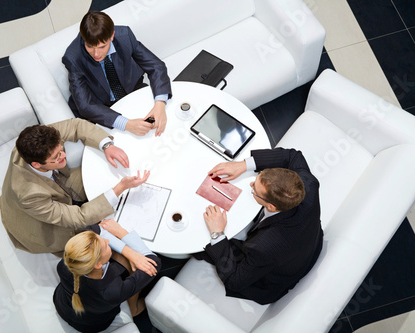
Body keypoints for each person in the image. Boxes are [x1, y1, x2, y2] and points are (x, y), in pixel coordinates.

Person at [0, 118, 150, 256]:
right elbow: (78, 217)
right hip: (43, 229)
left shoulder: (38, 141)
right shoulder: (28, 195)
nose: (63, 156)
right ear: (36, 164)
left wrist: (107, 146)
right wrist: (120, 188)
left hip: (59, 184)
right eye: (56, 157)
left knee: (102, 175)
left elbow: (75, 125)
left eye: (60, 150)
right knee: (97, 243)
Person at [195, 148, 323, 304]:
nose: (251, 183)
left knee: (201, 245)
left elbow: (235, 281)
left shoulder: (264, 247)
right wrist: (242, 165)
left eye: (254, 189)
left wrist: (217, 233)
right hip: (308, 241)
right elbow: (293, 155)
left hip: (270, 279)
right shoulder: (307, 185)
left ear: (271, 207)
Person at [63, 11, 172, 137]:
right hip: (99, 107)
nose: (96, 54)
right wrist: (126, 124)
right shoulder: (73, 57)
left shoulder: (125, 36)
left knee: (161, 125)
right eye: (90, 46)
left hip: (130, 90)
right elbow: (85, 105)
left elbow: (155, 66)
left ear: (112, 36)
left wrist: (160, 104)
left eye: (102, 47)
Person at [54, 220, 161, 333]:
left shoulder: (66, 264)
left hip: (63, 306)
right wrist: (122, 232)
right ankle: (133, 309)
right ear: (98, 264)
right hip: (93, 324)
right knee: (134, 265)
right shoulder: (112, 291)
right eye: (105, 244)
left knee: (130, 258)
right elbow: (154, 263)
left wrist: (131, 254)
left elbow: (94, 229)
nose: (107, 240)